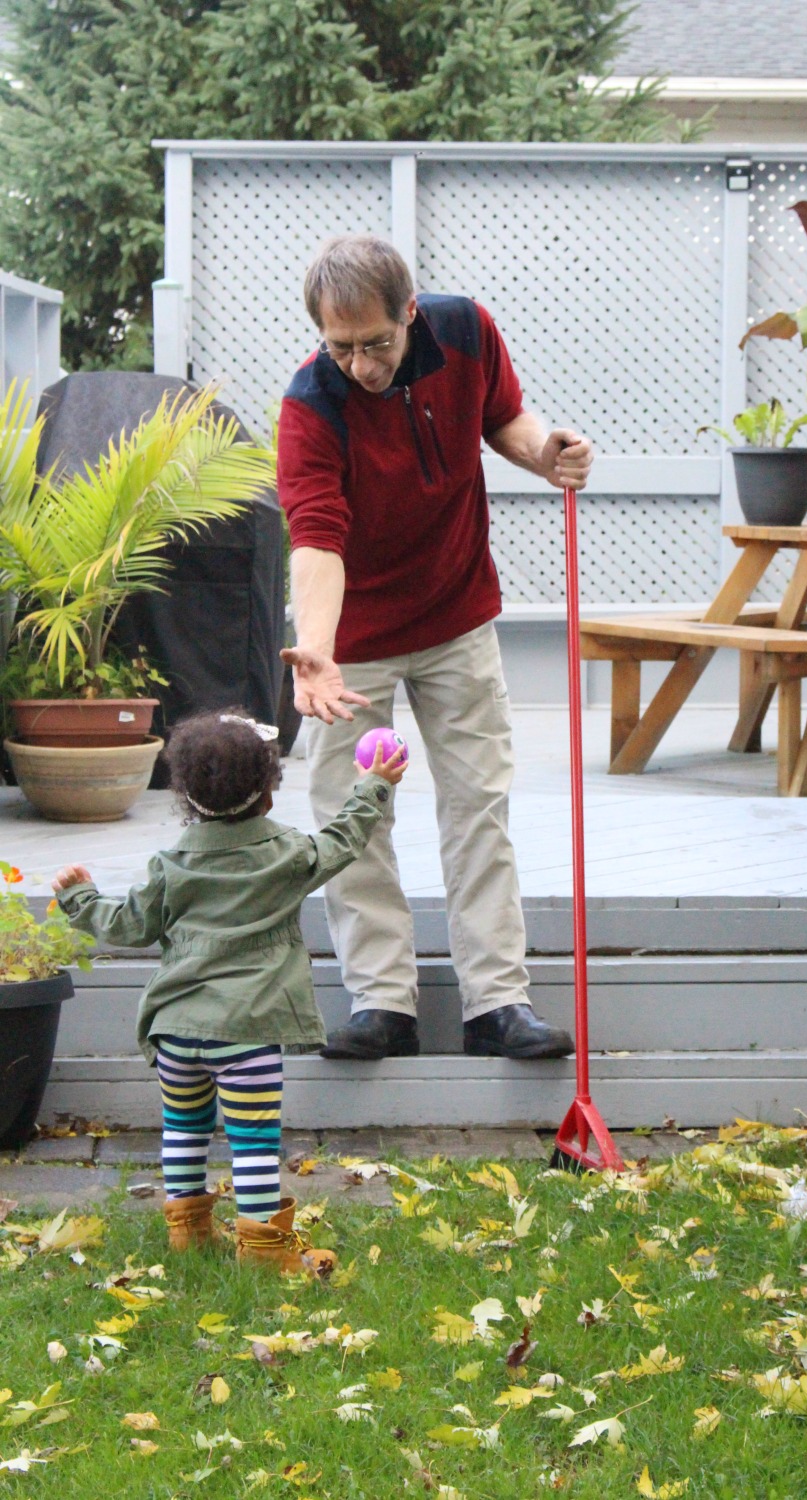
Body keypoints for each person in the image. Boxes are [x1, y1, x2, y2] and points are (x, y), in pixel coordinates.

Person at [278, 234, 593, 1063]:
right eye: (339, 347)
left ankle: (497, 1005)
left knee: (478, 806)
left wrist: (545, 452)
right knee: (354, 819)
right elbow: (316, 536)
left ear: (409, 313)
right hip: (354, 643)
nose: (361, 364)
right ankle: (383, 1005)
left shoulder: (466, 331)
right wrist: (316, 648)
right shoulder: (313, 403)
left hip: (456, 615)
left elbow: (504, 420)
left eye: (375, 343)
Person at [51, 708, 406, 1272]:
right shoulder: (287, 853)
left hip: (176, 1033)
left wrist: (82, 899)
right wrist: (374, 786)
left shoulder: (172, 864)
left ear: (186, 797)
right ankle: (264, 1252)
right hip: (246, 1033)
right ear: (267, 794)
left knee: (184, 1132)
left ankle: (188, 1236)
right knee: (254, 1145)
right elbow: (343, 840)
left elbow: (129, 927)